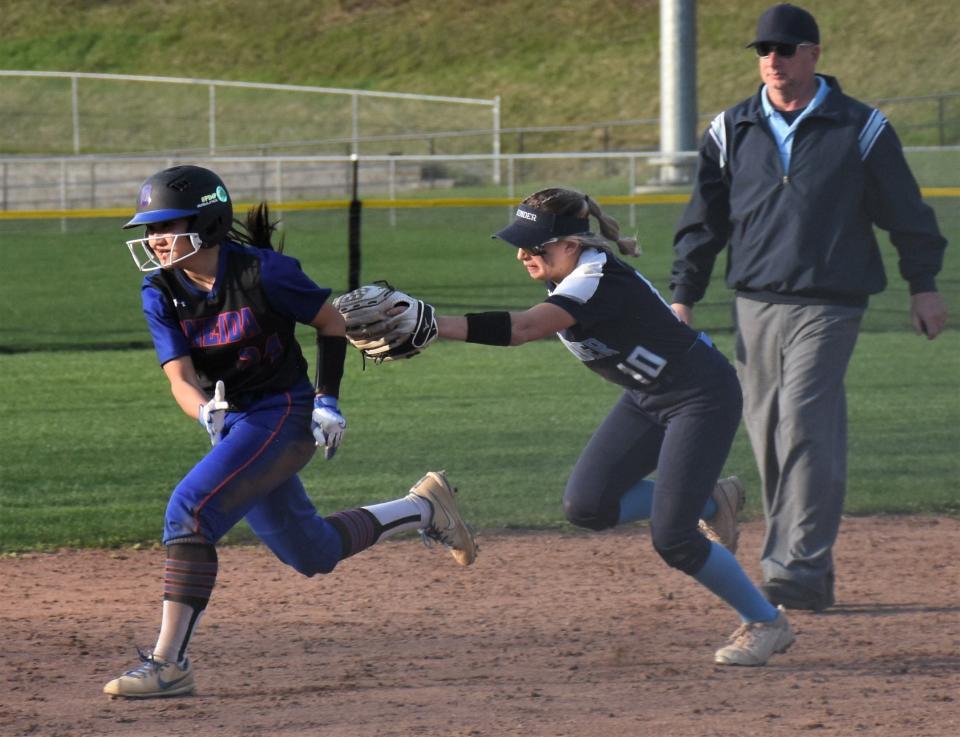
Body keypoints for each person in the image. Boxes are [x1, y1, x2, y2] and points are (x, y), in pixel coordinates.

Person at [349, 187, 797, 666]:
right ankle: (713, 500)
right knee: (586, 506)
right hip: (648, 397)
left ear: (572, 244)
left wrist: (433, 324)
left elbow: (523, 330)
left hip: (701, 396)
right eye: (520, 243)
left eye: (536, 245)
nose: (523, 254)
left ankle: (766, 622)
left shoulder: (594, 279)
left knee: (674, 537)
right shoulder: (569, 274)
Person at [104, 164, 477, 699]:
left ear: (207, 223)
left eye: (167, 226)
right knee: (312, 552)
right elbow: (180, 378)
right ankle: (425, 507)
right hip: (236, 424)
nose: (155, 240)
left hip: (284, 413)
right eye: (150, 229)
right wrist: (201, 411)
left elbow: (330, 322)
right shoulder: (160, 291)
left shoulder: (263, 272)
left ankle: (168, 663)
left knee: (189, 510)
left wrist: (328, 400)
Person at [670, 4, 948, 612]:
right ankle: (808, 576)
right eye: (764, 51)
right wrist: (684, 294)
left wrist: (922, 283)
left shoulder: (860, 127)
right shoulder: (731, 128)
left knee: (802, 422)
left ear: (814, 54)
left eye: (786, 49)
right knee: (768, 432)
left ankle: (795, 567)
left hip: (831, 302)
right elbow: (702, 224)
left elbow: (907, 213)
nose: (773, 60)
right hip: (755, 302)